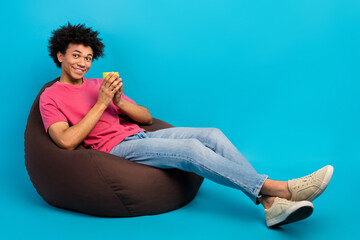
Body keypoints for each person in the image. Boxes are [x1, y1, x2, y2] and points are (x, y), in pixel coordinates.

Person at [40, 23, 334, 228]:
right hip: (114, 149)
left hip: (138, 135)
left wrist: (118, 100)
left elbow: (146, 118)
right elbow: (65, 141)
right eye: (76, 55)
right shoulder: (51, 96)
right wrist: (102, 104)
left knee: (211, 134)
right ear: (60, 56)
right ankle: (280, 189)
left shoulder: (98, 83)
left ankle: (270, 205)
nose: (83, 63)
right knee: (191, 149)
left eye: (88, 57)